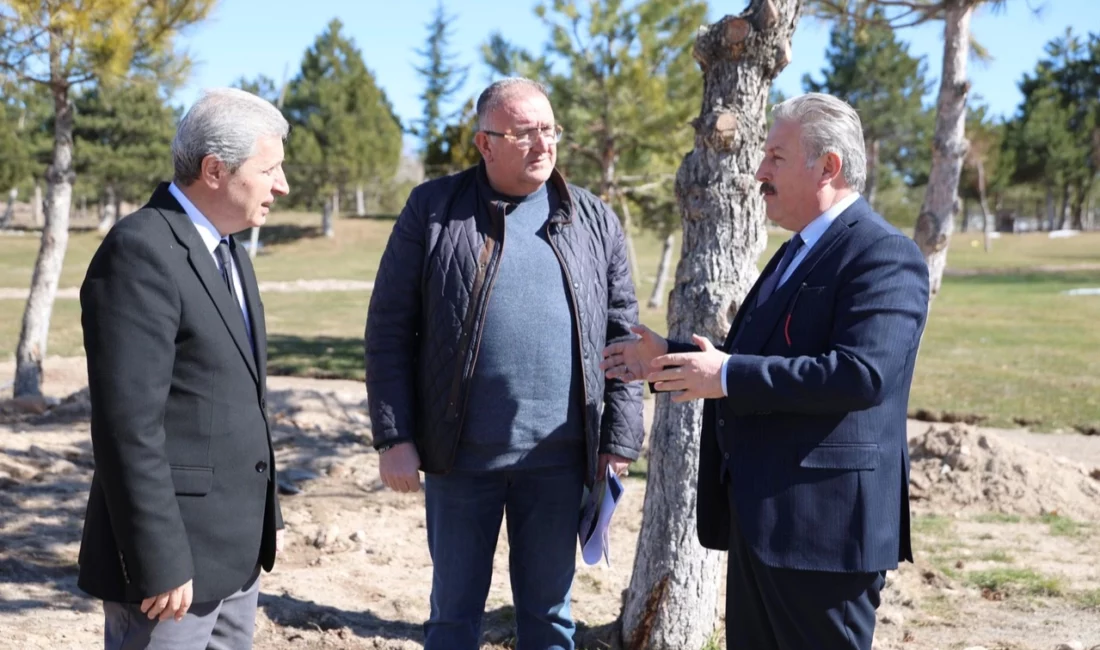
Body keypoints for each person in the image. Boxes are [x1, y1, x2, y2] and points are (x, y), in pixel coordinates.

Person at [601, 92, 929, 649]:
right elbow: (761, 356)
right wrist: (670, 357)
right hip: (764, 524)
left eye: (776, 157)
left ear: (828, 166)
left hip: (823, 534)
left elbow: (861, 374)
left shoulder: (884, 254)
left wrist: (724, 376)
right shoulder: (794, 251)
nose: (759, 172)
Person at [365, 77, 644, 650]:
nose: (542, 144)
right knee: (453, 616)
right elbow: (389, 328)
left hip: (560, 462)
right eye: (523, 133)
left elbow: (623, 336)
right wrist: (393, 436)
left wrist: (618, 441)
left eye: (549, 130)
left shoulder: (594, 219)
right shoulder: (433, 209)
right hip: (460, 459)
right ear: (484, 143)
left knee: (549, 617)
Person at [77, 87, 290, 649]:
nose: (282, 185)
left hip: (235, 559)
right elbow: (128, 428)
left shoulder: (231, 253)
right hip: (170, 578)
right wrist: (159, 559)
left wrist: (263, 525)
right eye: (269, 169)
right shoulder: (140, 250)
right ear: (215, 170)